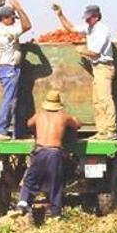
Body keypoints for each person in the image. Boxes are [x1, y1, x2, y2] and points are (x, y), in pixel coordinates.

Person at [51, 3, 117, 140]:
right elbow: (72, 29)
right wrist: (60, 14)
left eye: (89, 18)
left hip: (104, 67)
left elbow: (95, 52)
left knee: (105, 99)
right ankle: (102, 131)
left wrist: (82, 51)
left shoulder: (101, 30)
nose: (86, 20)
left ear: (96, 16)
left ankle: (111, 130)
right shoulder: (90, 28)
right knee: (97, 101)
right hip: (97, 68)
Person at [12, 91, 81, 219]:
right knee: (55, 183)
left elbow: (28, 124)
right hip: (55, 153)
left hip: (40, 151)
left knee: (30, 180)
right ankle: (55, 213)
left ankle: (22, 206)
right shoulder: (64, 117)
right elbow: (77, 125)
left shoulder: (39, 116)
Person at [0, 0, 32, 140]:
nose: (14, 21)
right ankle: (0, 131)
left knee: (15, 100)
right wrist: (19, 7)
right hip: (10, 69)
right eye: (12, 18)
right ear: (4, 19)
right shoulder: (8, 31)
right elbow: (27, 26)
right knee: (10, 100)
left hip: (5, 68)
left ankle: (19, 132)